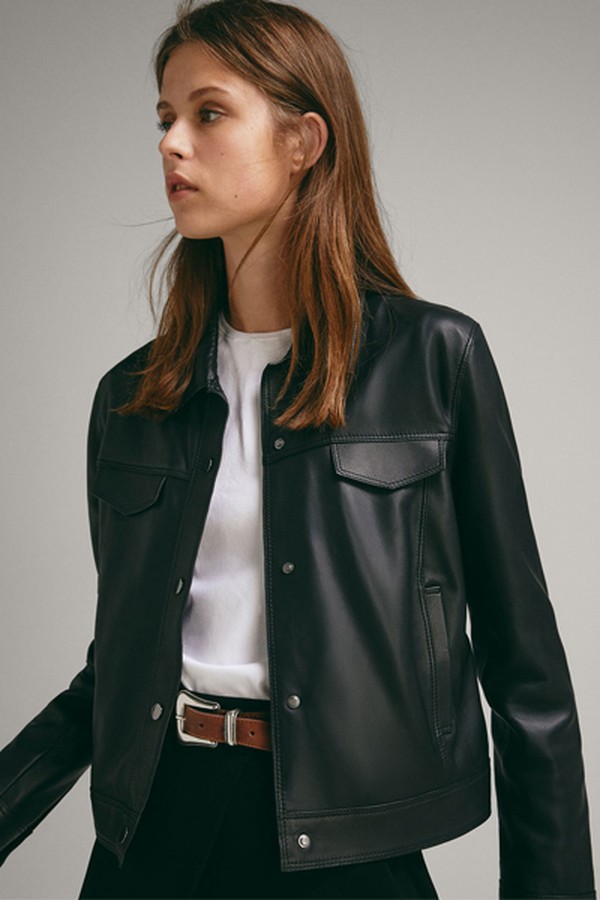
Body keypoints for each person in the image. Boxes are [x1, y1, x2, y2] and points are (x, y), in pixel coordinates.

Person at [0, 0, 595, 897]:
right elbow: (118, 666)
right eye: (164, 119)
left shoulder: (434, 361)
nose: (171, 144)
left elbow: (527, 673)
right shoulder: (133, 398)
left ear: (303, 141)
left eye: (208, 113)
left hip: (347, 850)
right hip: (152, 835)